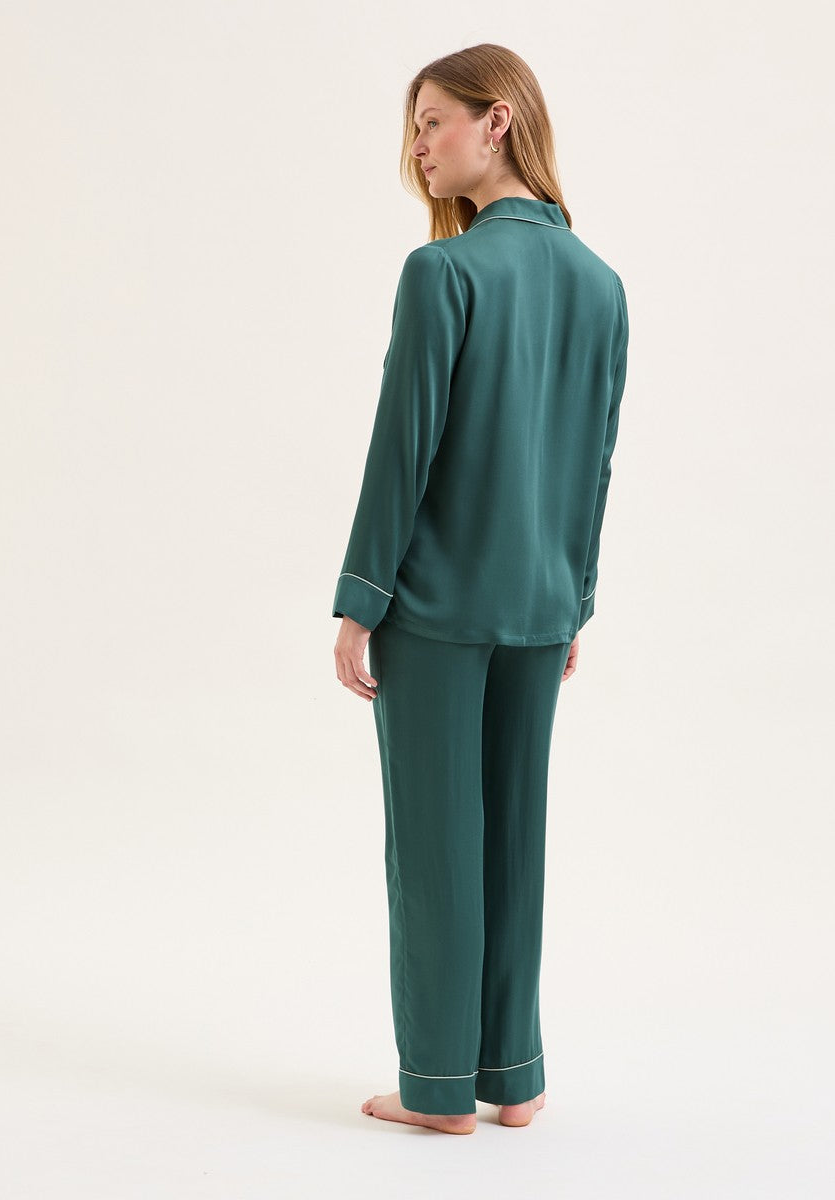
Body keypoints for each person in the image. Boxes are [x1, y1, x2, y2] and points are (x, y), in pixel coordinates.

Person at [332, 43, 629, 1135]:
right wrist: (575, 600)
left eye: (431, 122)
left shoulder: (443, 273)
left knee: (436, 851)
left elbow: (400, 451)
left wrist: (361, 598)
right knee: (513, 842)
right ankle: (516, 1076)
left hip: (438, 608)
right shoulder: (601, 285)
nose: (417, 147)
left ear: (495, 120)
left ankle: (439, 1090)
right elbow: (594, 463)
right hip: (541, 605)